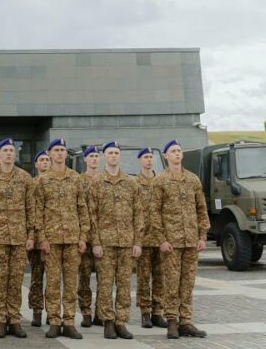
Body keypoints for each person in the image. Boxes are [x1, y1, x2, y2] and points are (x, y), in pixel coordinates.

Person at [152, 140, 209, 339]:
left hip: (191, 241)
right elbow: (154, 213)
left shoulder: (193, 180)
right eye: (173, 152)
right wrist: (161, 239)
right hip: (171, 243)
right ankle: (172, 322)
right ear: (166, 156)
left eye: (179, 151)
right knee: (171, 282)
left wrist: (202, 236)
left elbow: (201, 209)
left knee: (188, 283)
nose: (177, 154)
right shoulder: (160, 180)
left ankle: (186, 321)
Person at [35, 138, 89, 339]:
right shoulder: (42, 180)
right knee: (53, 283)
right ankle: (54, 321)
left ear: (66, 154)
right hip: (52, 240)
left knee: (71, 283)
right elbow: (37, 212)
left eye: (62, 150)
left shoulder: (76, 179)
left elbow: (83, 210)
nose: (59, 153)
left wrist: (83, 236)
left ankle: (69, 322)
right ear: (49, 154)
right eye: (56, 150)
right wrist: (42, 238)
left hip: (73, 240)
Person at [88, 141, 143, 340]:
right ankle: (108, 322)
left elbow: (139, 214)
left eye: (116, 153)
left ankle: (121, 322)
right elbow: (91, 215)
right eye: (110, 153)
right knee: (105, 284)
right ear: (104, 156)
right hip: (105, 243)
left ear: (120, 156)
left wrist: (137, 242)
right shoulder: (96, 182)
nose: (113, 156)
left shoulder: (130, 183)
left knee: (124, 284)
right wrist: (95, 242)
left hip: (127, 242)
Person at [0, 139, 34, 339]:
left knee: (16, 280)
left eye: (12, 150)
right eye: (5, 151)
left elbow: (31, 208)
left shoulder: (25, 178)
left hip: (20, 237)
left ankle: (15, 319)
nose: (9, 154)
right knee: (0, 280)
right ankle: (1, 320)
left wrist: (31, 235)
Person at [135, 147, 167, 328]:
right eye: (145, 157)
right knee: (143, 277)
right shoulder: (135, 183)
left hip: (160, 238)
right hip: (143, 238)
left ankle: (157, 312)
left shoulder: (161, 181)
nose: (149, 160)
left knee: (160, 276)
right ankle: (145, 312)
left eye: (150, 157)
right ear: (139, 160)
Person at [78, 145, 101, 327]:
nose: (94, 159)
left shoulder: (103, 180)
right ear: (85, 159)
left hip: (103, 237)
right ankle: (86, 311)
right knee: (84, 276)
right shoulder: (79, 181)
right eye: (90, 156)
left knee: (104, 278)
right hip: (86, 237)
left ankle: (101, 313)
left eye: (96, 156)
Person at [28, 148, 51, 327]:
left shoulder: (55, 183)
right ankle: (36, 311)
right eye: (41, 160)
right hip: (36, 240)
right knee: (36, 277)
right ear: (36, 164)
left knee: (53, 278)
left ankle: (52, 312)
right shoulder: (31, 183)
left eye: (47, 160)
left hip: (52, 239)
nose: (45, 162)